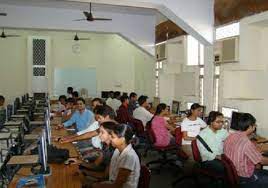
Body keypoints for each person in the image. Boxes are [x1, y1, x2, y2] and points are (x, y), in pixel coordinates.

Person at [224, 113, 268, 186]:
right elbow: (261, 161)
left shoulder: (231, 136)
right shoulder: (246, 143)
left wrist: (254, 148)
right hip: (245, 178)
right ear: (251, 126)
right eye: (254, 125)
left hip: (232, 175)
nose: (255, 126)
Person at [93, 123, 140, 188]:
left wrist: (95, 185)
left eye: (113, 137)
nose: (110, 138)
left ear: (122, 139)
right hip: (112, 182)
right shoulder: (117, 150)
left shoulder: (129, 157)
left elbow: (117, 186)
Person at [197, 111, 228, 175]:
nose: (221, 124)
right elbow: (204, 153)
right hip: (210, 159)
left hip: (221, 156)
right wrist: (217, 156)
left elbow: (230, 140)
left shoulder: (222, 131)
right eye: (218, 122)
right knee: (226, 168)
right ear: (211, 122)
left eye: (222, 122)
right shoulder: (202, 135)